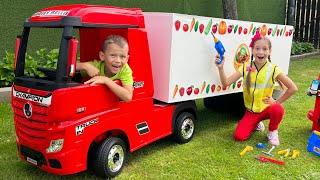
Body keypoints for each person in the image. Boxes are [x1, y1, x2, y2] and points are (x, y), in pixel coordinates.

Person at [215, 32, 298, 146]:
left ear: (269, 51)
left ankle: (272, 131)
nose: (260, 52)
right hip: (251, 112)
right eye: (257, 48)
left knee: (278, 109)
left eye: (265, 49)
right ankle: (257, 123)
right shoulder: (245, 67)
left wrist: (276, 102)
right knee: (239, 136)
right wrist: (220, 68)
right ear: (252, 50)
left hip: (267, 108)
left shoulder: (273, 69)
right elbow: (226, 83)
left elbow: (293, 88)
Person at [77, 35, 133, 102]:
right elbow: (68, 66)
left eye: (122, 57)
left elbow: (128, 97)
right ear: (102, 56)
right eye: (113, 55)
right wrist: (85, 66)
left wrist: (106, 80)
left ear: (127, 59)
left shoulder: (125, 70)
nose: (118, 60)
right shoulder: (96, 66)